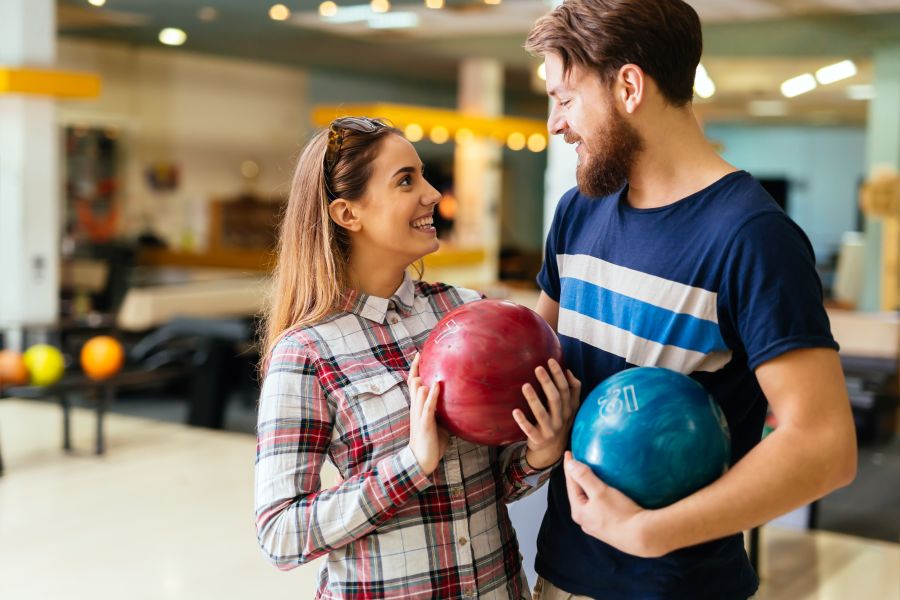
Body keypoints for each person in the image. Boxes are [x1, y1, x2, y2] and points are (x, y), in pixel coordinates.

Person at [523, 1, 858, 599]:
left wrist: (650, 532)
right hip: (559, 575)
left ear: (628, 86)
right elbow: (537, 371)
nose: (556, 123)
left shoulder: (752, 237)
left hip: (678, 586)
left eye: (565, 99)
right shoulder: (578, 213)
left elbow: (825, 446)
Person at [254, 116, 581, 599]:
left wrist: (541, 451)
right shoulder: (305, 351)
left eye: (423, 176)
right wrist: (412, 464)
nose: (432, 194)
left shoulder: (469, 310)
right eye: (406, 180)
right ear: (347, 213)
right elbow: (280, 535)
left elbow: (495, 484)